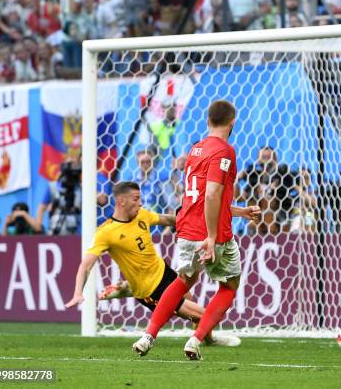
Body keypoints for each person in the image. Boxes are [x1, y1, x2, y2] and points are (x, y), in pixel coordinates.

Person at [132, 100, 261, 360]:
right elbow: (212, 194)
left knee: (183, 281)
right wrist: (212, 237)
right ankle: (196, 338)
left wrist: (240, 211)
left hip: (187, 230)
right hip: (212, 234)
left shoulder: (196, 150)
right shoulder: (224, 151)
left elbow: (203, 197)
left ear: (207, 121)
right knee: (229, 286)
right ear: (233, 122)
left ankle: (148, 336)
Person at [65, 181, 249, 346]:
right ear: (121, 201)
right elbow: (86, 265)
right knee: (202, 315)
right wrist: (77, 293)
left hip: (165, 272)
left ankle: (209, 340)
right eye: (136, 199)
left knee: (194, 306)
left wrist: (192, 221)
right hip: (150, 289)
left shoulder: (142, 215)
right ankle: (132, 290)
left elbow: (168, 219)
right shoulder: (106, 232)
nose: (140, 203)